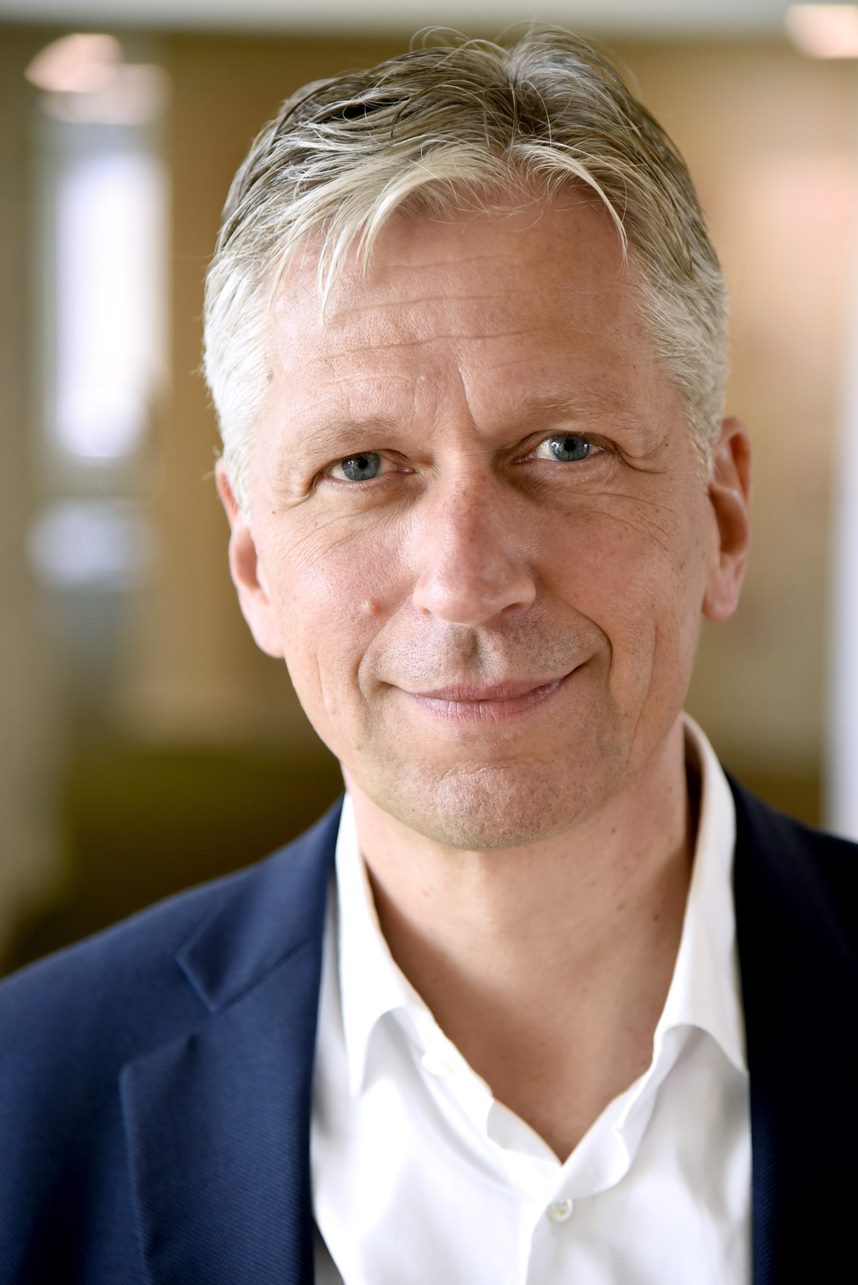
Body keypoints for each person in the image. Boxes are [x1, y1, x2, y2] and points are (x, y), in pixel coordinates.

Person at [1, 27, 856, 1285]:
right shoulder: (26, 1097)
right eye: (361, 467)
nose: (465, 578)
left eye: (564, 447)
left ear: (722, 518)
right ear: (256, 563)